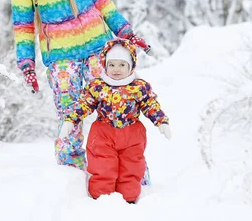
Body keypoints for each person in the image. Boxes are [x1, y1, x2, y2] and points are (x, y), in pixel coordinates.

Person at [10, 0, 151, 172]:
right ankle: (70, 172)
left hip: (98, 47)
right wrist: (27, 63)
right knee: (70, 112)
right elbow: (23, 26)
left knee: (116, 104)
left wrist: (126, 32)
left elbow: (102, 1)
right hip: (61, 58)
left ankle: (127, 167)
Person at [59, 38, 171, 203]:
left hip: (132, 135)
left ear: (131, 66)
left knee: (131, 166)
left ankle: (129, 198)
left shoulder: (139, 87)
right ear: (105, 65)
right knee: (102, 166)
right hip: (104, 133)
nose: (116, 70)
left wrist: (161, 121)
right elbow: (84, 104)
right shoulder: (97, 86)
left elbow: (150, 104)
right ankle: (101, 197)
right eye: (111, 65)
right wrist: (70, 120)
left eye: (121, 65)